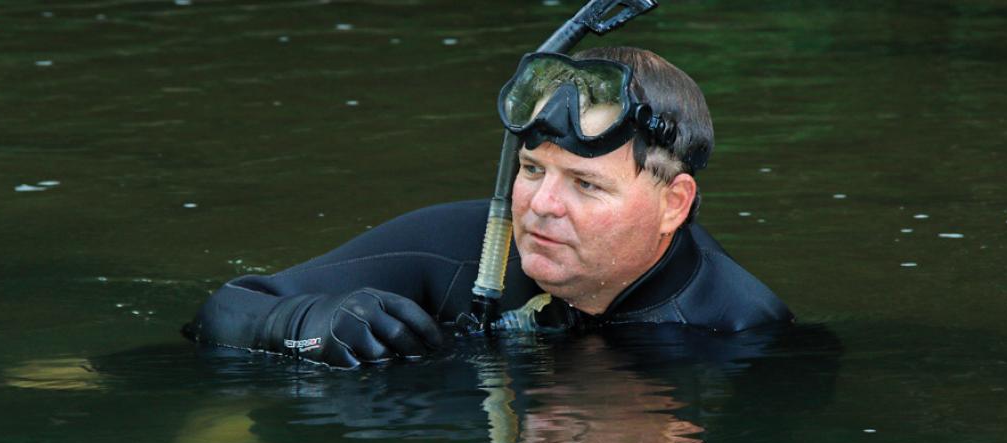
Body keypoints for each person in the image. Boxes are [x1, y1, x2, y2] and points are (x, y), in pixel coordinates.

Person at [182, 47, 793, 368]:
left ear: (673, 203)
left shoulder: (746, 336)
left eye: (586, 184)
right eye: (531, 170)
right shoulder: (463, 244)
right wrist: (310, 326)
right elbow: (224, 313)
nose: (541, 207)